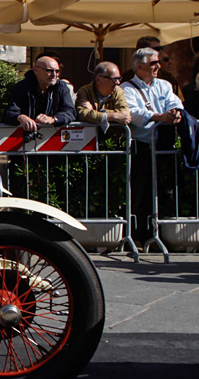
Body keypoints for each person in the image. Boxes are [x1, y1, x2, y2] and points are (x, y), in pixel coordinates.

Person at [124, 47, 184, 244]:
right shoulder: (127, 88)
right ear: (139, 66)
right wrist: (160, 116)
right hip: (139, 147)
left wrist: (174, 113)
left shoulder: (164, 85)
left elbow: (175, 103)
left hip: (162, 146)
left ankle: (153, 235)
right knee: (138, 192)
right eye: (153, 63)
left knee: (159, 192)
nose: (158, 66)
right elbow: (134, 113)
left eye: (159, 61)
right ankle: (135, 234)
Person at [2, 54, 76, 132]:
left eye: (57, 71)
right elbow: (8, 112)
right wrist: (20, 117)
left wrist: (54, 119)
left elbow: (70, 112)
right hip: (22, 138)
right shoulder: (22, 87)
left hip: (52, 137)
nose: (54, 75)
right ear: (36, 70)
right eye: (49, 71)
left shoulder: (61, 87)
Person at [75, 62, 132, 130]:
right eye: (114, 79)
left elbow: (125, 114)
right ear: (98, 79)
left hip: (112, 137)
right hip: (90, 136)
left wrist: (98, 112)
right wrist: (113, 116)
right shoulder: (85, 91)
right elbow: (82, 114)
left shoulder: (118, 91)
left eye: (119, 78)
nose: (118, 82)